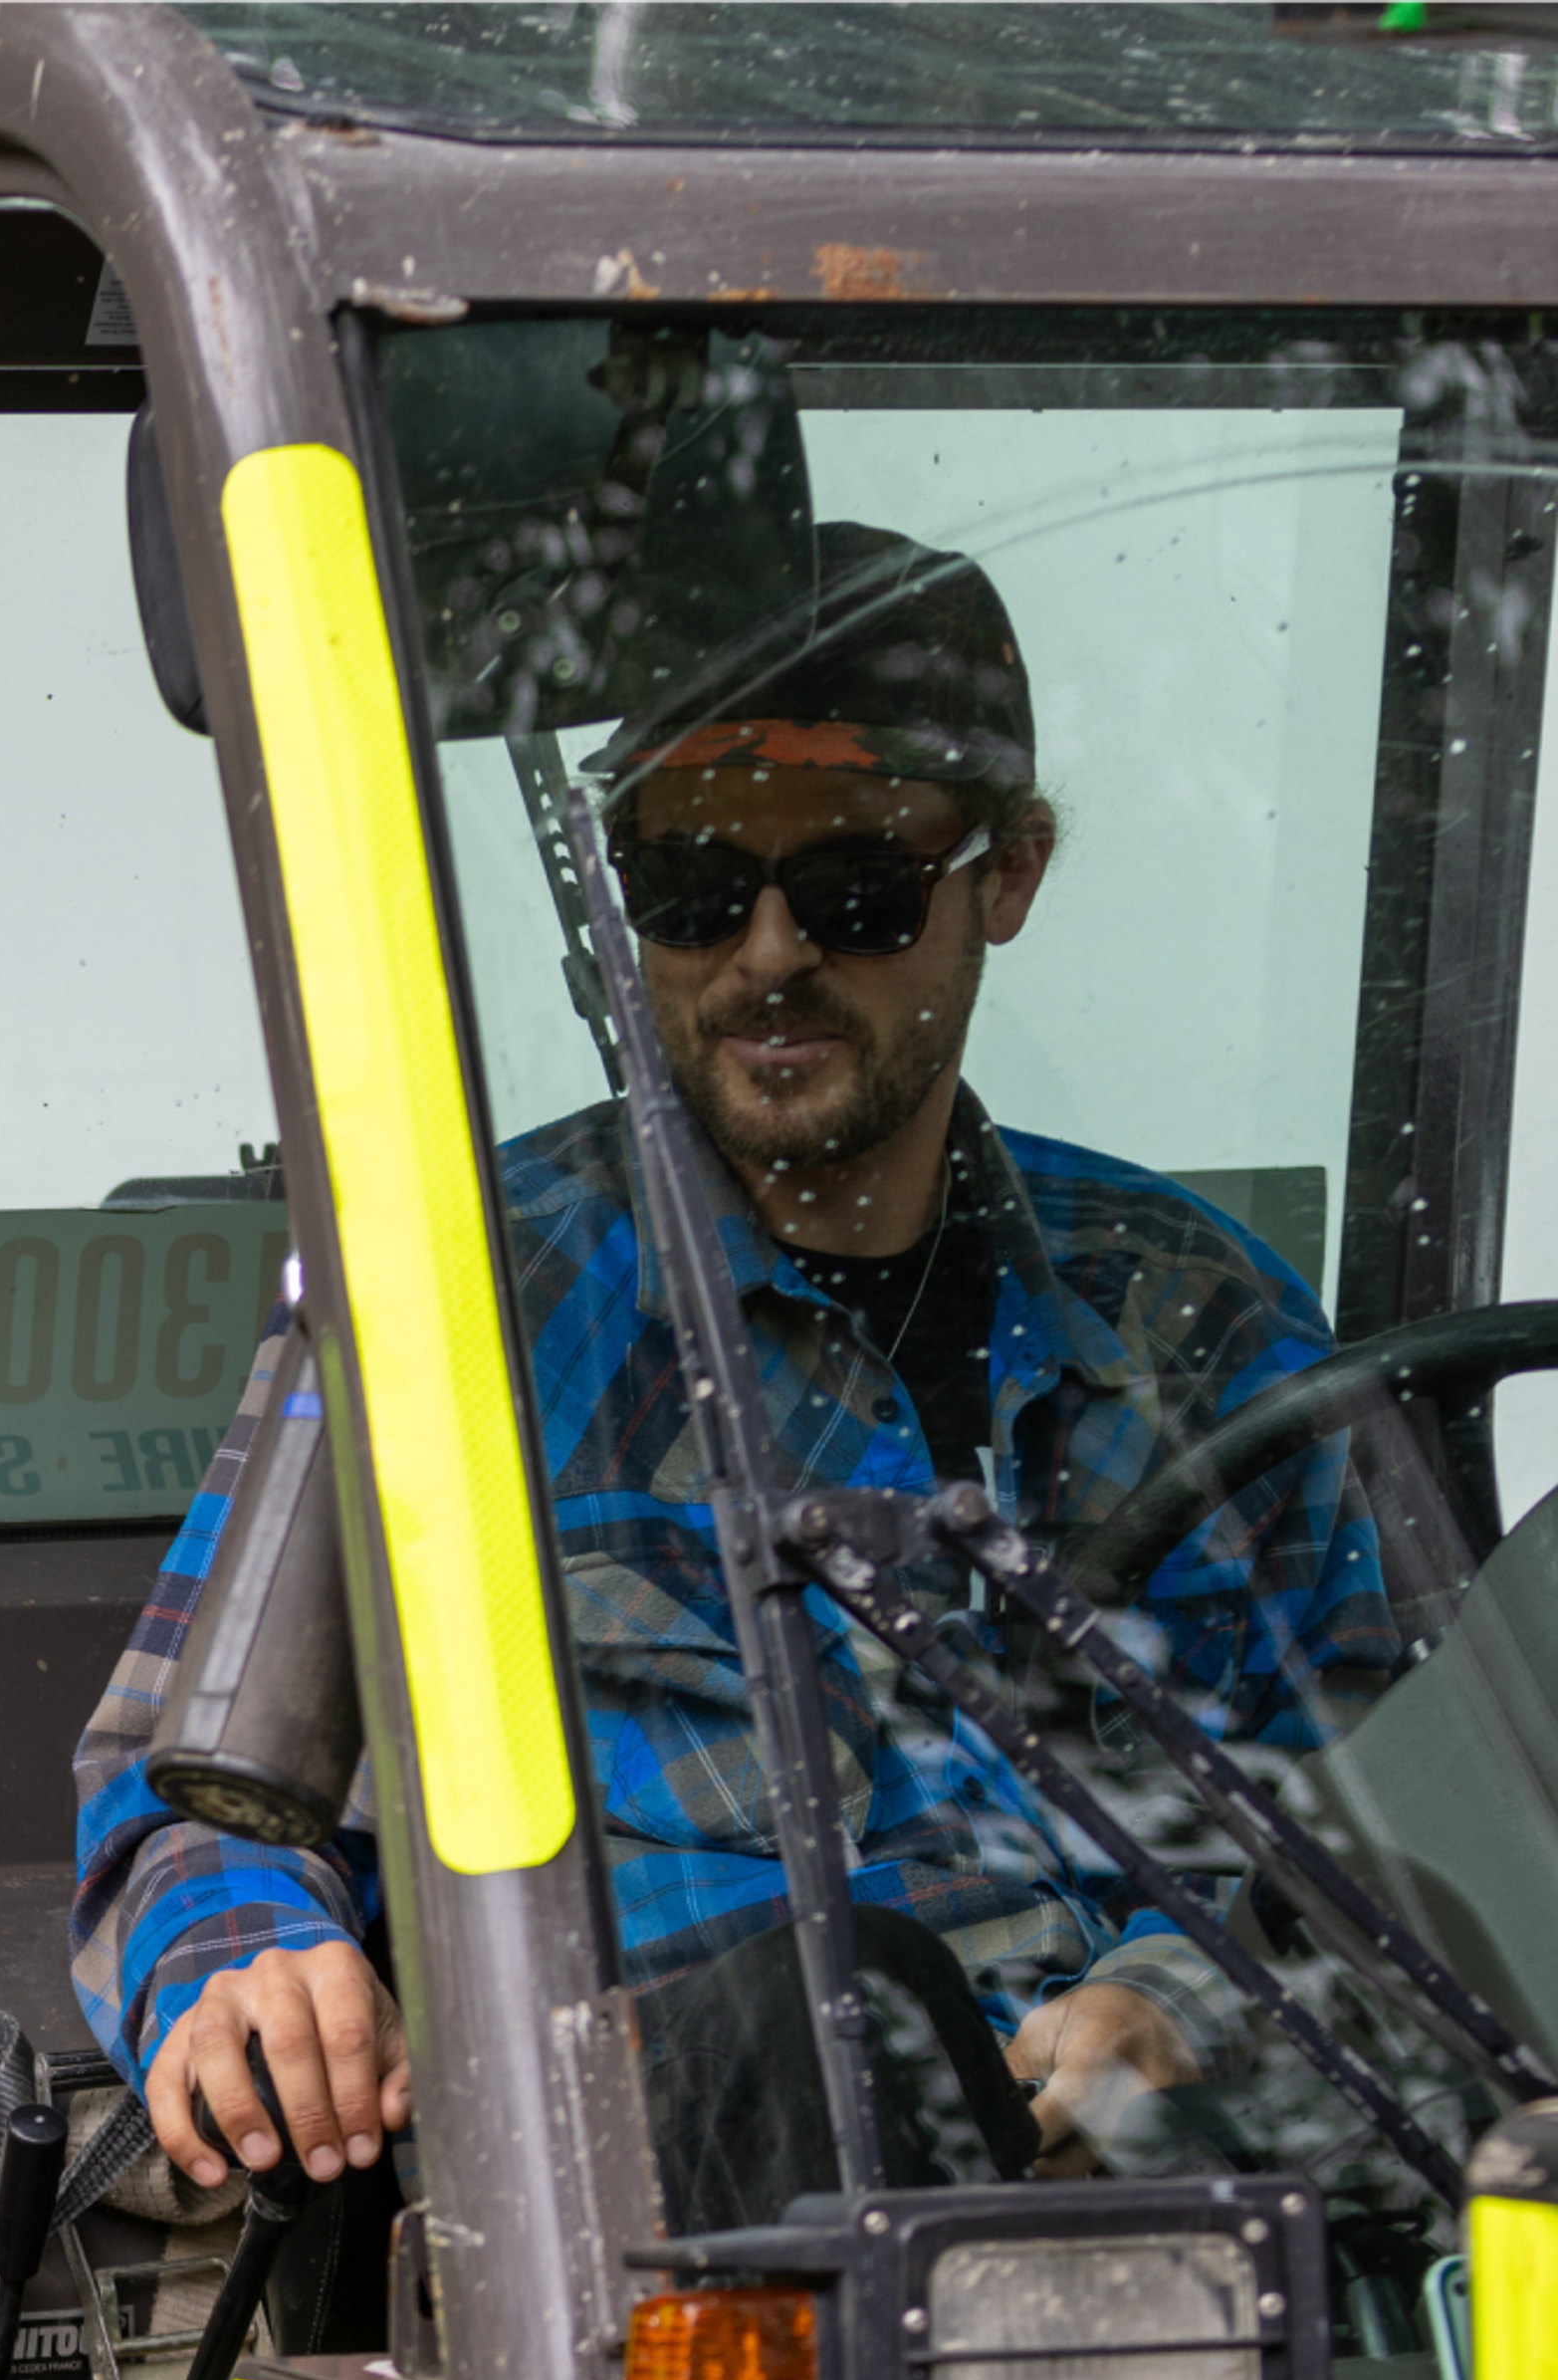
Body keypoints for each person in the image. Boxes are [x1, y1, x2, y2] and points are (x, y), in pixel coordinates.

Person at [73, 523, 1399, 2208]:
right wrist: (245, 1967)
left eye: (853, 888)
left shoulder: (1207, 1326)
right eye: (695, 891)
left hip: (1167, 2253)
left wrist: (1172, 1993)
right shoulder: (456, 1304)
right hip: (676, 2272)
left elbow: (1378, 1815)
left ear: (1009, 874)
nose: (768, 955)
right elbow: (183, 1793)